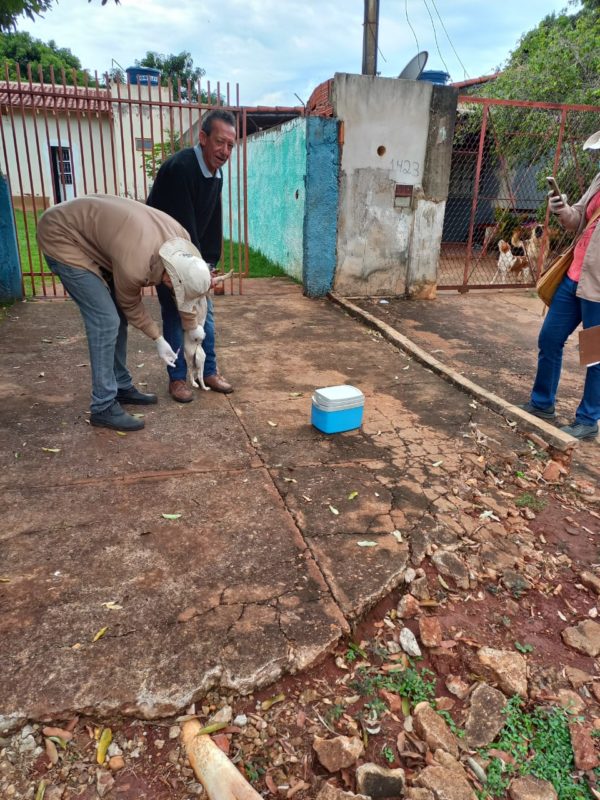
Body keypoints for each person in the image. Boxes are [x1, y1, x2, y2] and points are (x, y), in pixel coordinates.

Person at [36, 194, 211, 432]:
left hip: (99, 233)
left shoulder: (183, 246)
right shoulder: (137, 263)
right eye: (173, 287)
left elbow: (185, 293)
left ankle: (120, 385)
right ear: (170, 275)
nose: (174, 291)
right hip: (62, 234)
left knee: (115, 319)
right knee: (106, 320)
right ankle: (103, 406)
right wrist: (157, 338)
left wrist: (191, 326)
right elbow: (129, 304)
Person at [147, 108, 236, 403]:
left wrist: (209, 263)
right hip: (166, 257)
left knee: (205, 316)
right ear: (203, 138)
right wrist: (195, 269)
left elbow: (211, 220)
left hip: (193, 257)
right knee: (175, 315)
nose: (224, 151)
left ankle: (208, 371)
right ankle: (177, 380)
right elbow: (180, 226)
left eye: (230, 146)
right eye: (220, 142)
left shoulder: (215, 172)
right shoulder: (180, 168)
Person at [520, 130, 600, 440]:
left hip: (597, 291)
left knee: (594, 355)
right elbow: (578, 218)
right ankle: (542, 404)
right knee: (550, 338)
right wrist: (561, 208)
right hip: (574, 278)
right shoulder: (598, 178)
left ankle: (588, 419)